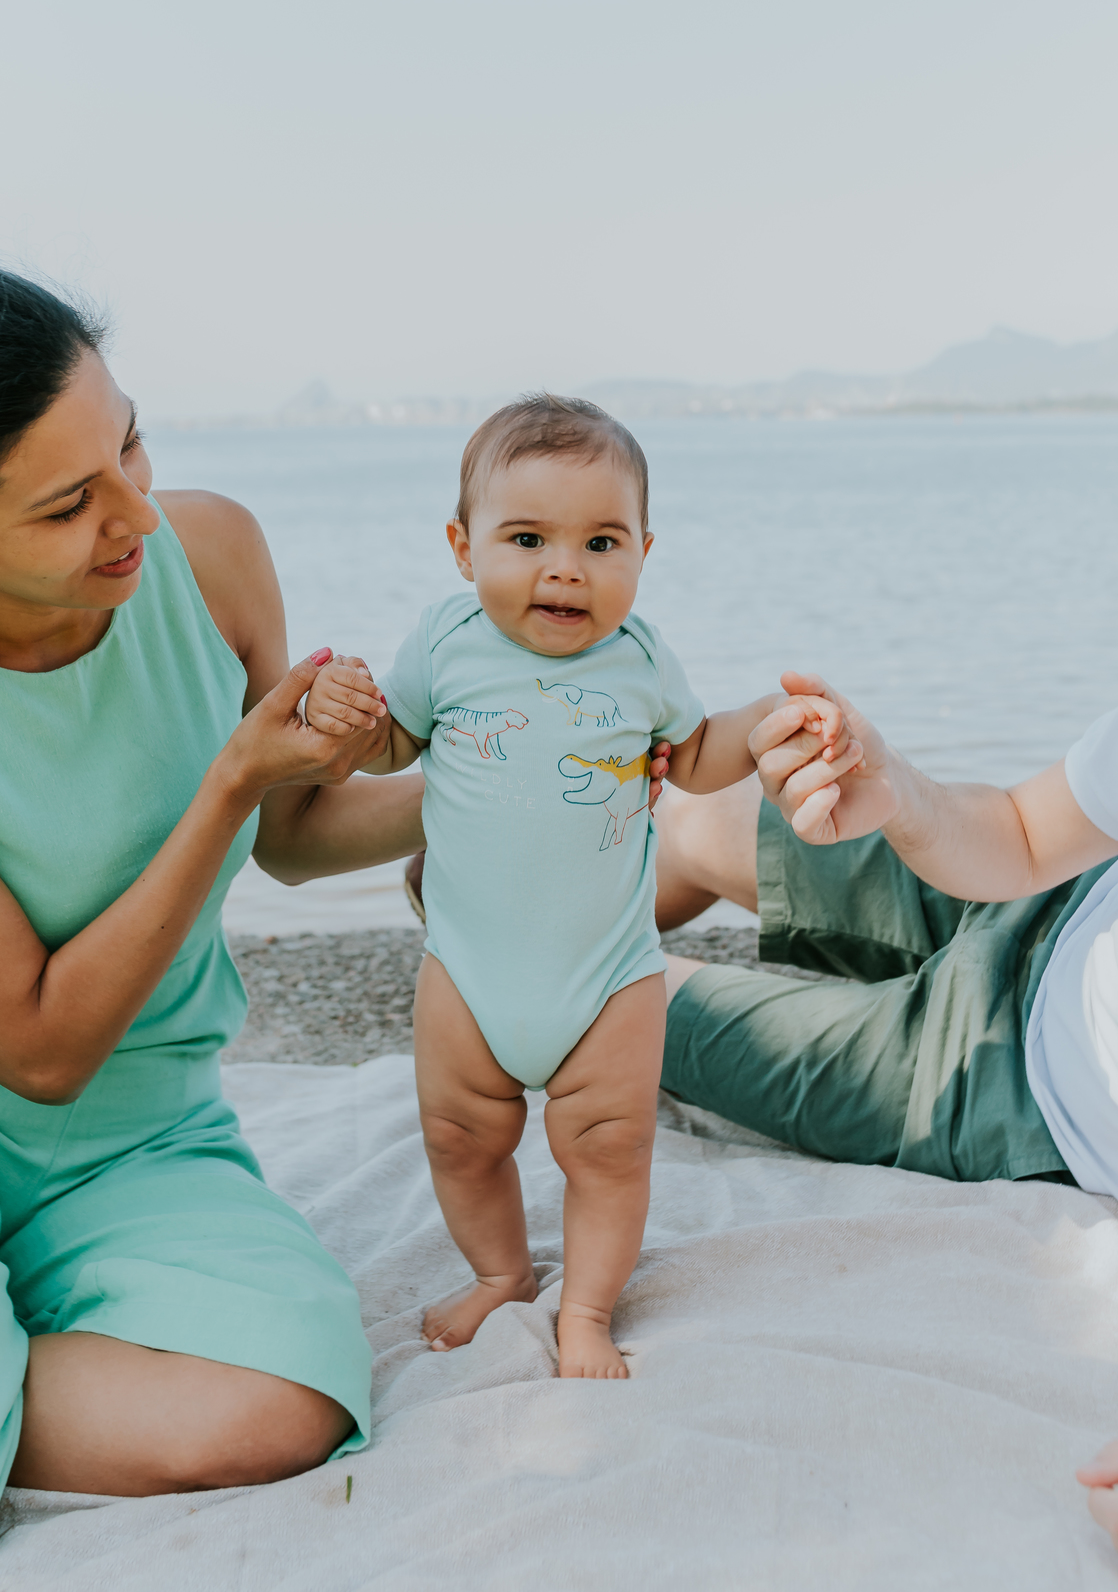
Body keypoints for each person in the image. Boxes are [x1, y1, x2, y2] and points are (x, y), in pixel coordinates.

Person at [0, 270, 439, 1498]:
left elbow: (292, 834)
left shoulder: (212, 557)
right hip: (46, 1067)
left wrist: (499, 792)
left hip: (133, 1140)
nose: (135, 512)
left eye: (130, 440)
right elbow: (37, 1045)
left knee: (282, 1399)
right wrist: (228, 784)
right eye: (69, 504)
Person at [303, 396, 851, 1379]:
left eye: (601, 541)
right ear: (463, 548)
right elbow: (394, 744)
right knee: (458, 1133)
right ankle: (501, 1272)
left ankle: (588, 1309)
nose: (565, 567)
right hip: (468, 966)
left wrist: (765, 723)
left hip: (607, 973)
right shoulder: (447, 641)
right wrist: (350, 721)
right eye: (526, 537)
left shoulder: (638, 661)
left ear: (643, 549)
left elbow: (690, 755)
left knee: (609, 1145)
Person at [652, 654, 1118, 1589]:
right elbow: (1025, 835)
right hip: (1062, 896)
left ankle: (482, 945)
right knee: (690, 828)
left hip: (1019, 1096)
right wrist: (899, 791)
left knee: (611, 1010)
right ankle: (481, 892)